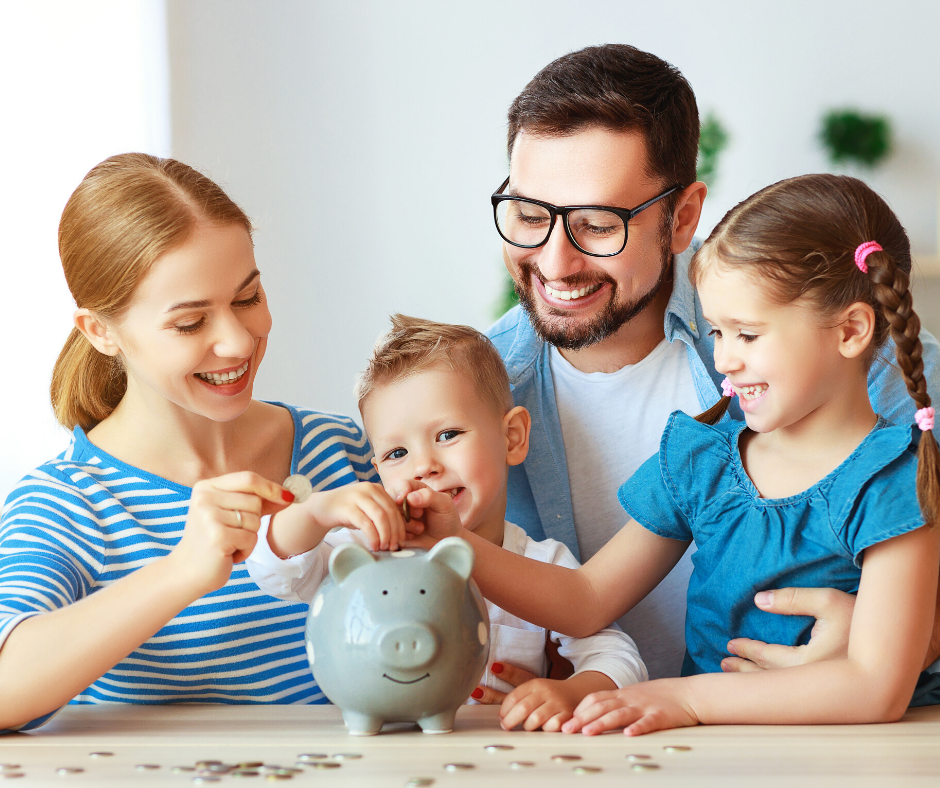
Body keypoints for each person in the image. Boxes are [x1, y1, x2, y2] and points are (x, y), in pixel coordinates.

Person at [408, 173, 940, 735]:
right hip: (709, 758)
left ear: (851, 330)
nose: (726, 360)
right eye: (716, 332)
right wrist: (451, 538)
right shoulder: (702, 460)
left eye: (748, 334)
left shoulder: (895, 476)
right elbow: (586, 600)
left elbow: (876, 687)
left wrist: (687, 701)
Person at [486, 43, 940, 680]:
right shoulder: (472, 392)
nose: (556, 263)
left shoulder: (833, 351)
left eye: (596, 224)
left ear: (683, 217)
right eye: (530, 216)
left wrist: (904, 638)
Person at [0, 153, 409, 732]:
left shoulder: (344, 449)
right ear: (101, 331)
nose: (239, 342)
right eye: (191, 323)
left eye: (247, 298)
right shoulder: (68, 502)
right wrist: (182, 570)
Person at [247, 314, 648, 732]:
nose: (423, 466)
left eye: (447, 435)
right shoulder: (368, 551)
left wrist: (567, 692)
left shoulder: (542, 564)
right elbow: (273, 568)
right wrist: (316, 510)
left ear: (512, 437)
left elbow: (617, 656)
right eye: (396, 454)